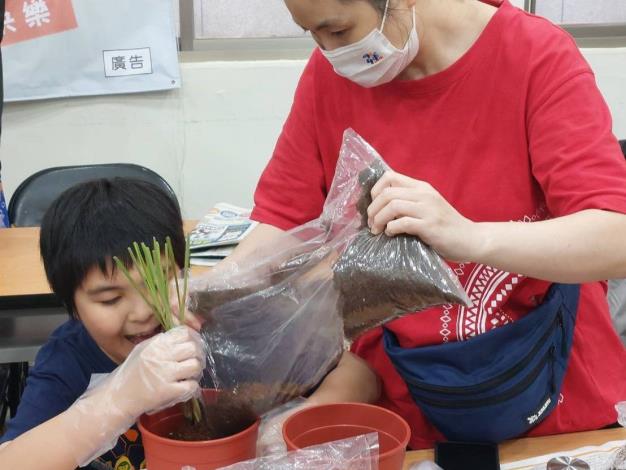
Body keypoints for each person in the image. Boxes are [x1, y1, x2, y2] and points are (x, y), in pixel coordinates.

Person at [230, 0, 626, 450]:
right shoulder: (330, 75)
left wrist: (472, 238)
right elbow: (282, 218)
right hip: (410, 407)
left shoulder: (534, 55)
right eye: (313, 35)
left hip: (549, 400)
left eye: (338, 31)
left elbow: (616, 236)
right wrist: (207, 299)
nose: (328, 52)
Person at [0, 178, 205, 469]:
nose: (143, 312)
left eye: (158, 283)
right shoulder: (67, 359)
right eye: (110, 299)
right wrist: (119, 398)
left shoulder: (203, 329)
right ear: (72, 307)